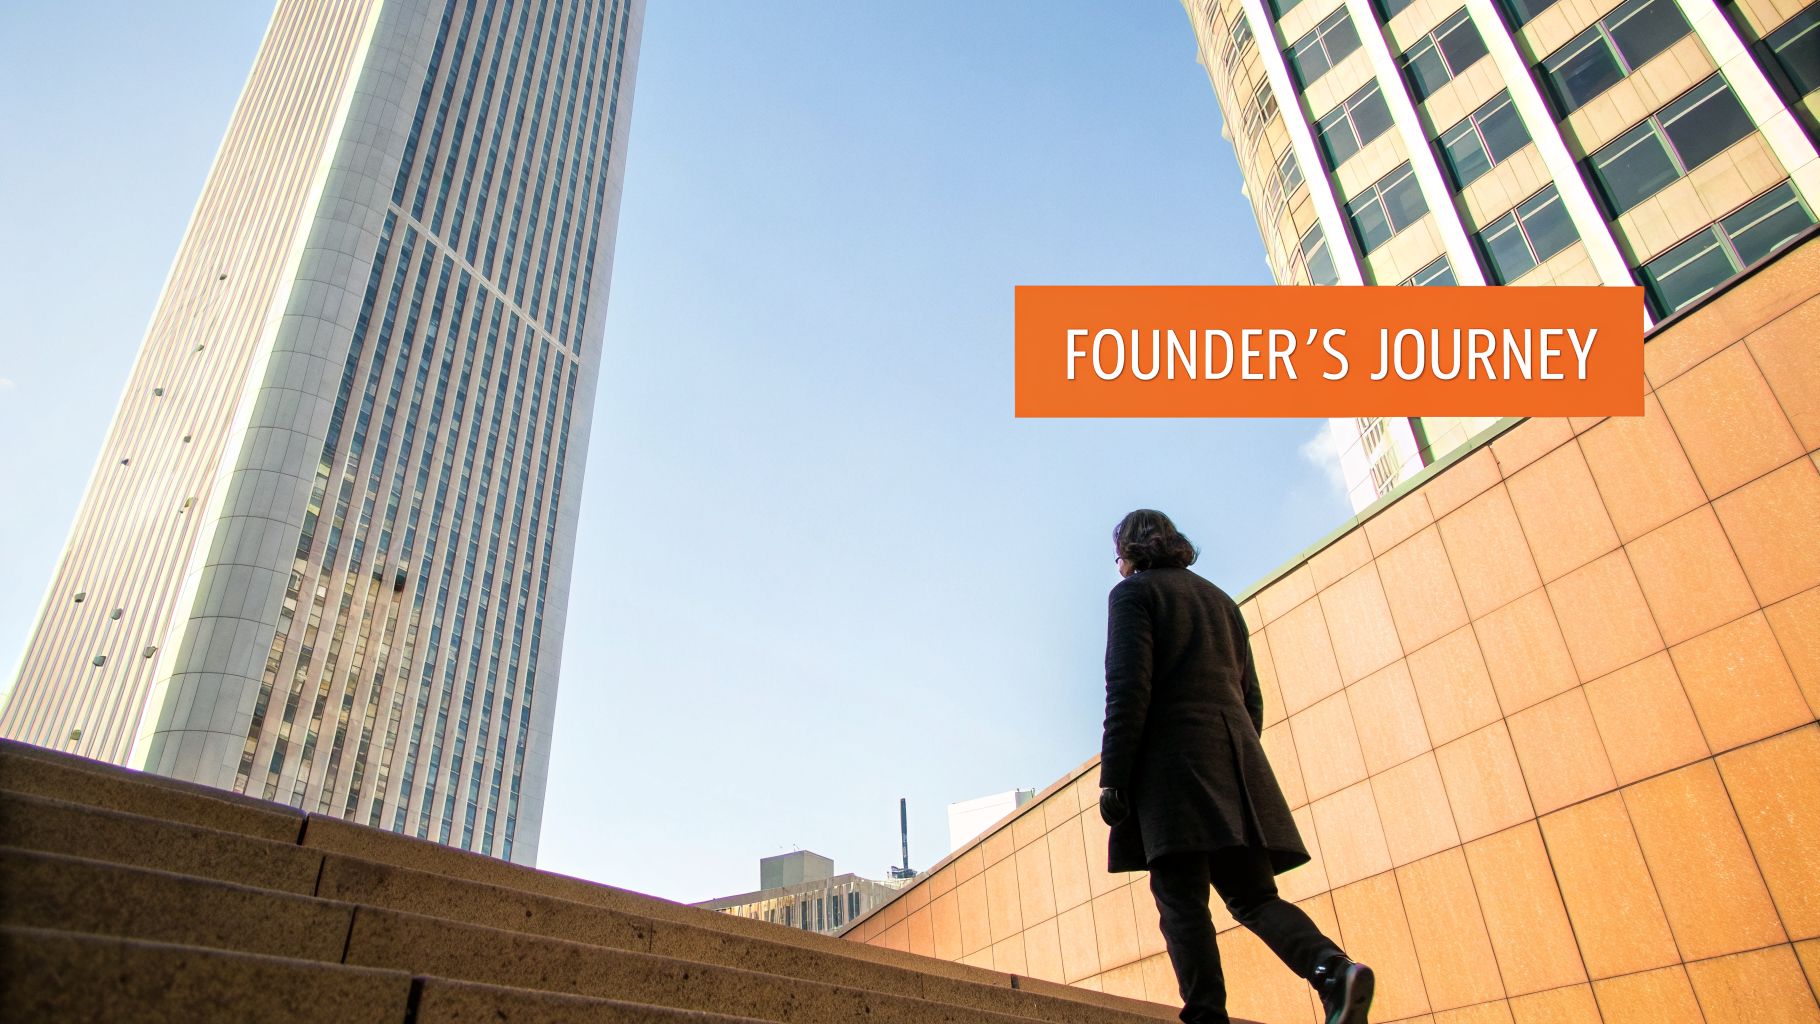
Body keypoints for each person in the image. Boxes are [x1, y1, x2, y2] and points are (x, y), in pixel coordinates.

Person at [1098, 509, 1373, 1024]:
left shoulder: (1133, 595)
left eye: (1117, 555)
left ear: (1131, 552)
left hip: (1172, 768)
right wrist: (1231, 762)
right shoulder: (1221, 601)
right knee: (1252, 896)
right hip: (1235, 766)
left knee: (1180, 897)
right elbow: (1252, 699)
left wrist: (1114, 776)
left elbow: (1128, 688)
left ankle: (1206, 1015)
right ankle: (1333, 969)